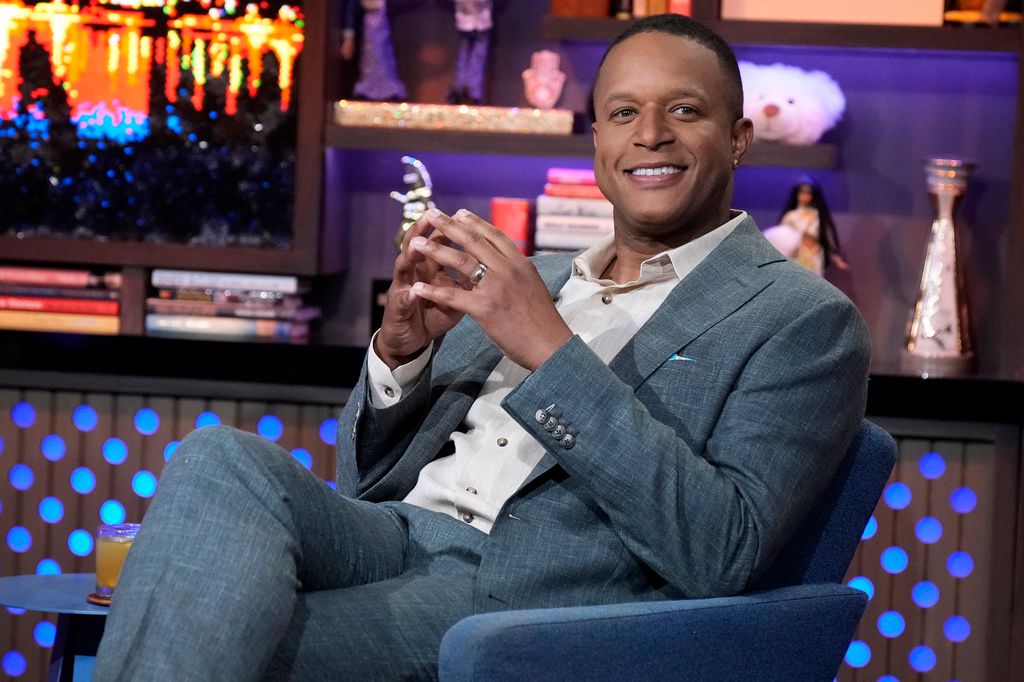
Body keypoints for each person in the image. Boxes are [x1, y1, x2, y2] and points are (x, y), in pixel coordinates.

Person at [93, 13, 870, 680]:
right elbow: (364, 487)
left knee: (210, 640)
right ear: (597, 138)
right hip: (393, 538)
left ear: (738, 139)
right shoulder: (535, 275)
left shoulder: (802, 318)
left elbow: (721, 551)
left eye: (685, 111)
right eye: (624, 113)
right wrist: (402, 359)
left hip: (529, 600)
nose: (651, 135)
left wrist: (551, 351)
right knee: (218, 459)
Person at [764, 176, 849, 276]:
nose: (805, 196)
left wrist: (837, 259)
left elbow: (826, 238)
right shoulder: (791, 216)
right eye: (802, 193)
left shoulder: (818, 216)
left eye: (808, 193)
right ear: (797, 194)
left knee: (816, 280)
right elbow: (782, 237)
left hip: (815, 253)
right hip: (797, 253)